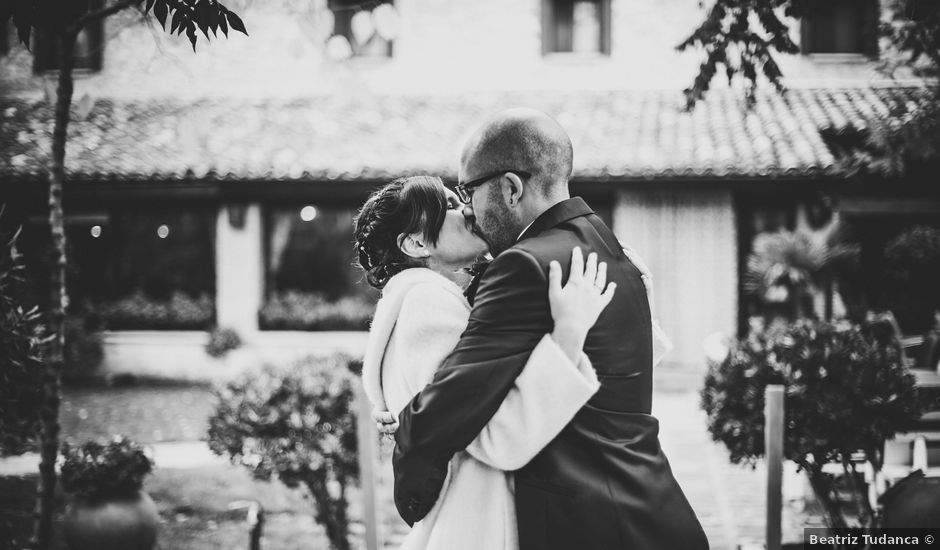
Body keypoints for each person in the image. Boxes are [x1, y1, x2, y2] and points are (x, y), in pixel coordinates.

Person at [392, 109, 709, 550]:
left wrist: (402, 437)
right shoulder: (614, 252)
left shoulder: (524, 265)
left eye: (468, 191)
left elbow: (448, 407)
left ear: (509, 188)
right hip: (655, 510)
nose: (467, 208)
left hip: (587, 525)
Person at [355, 175, 616, 550]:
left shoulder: (413, 304)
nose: (466, 210)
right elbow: (497, 436)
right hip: (478, 523)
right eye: (447, 206)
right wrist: (569, 335)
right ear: (415, 243)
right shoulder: (429, 302)